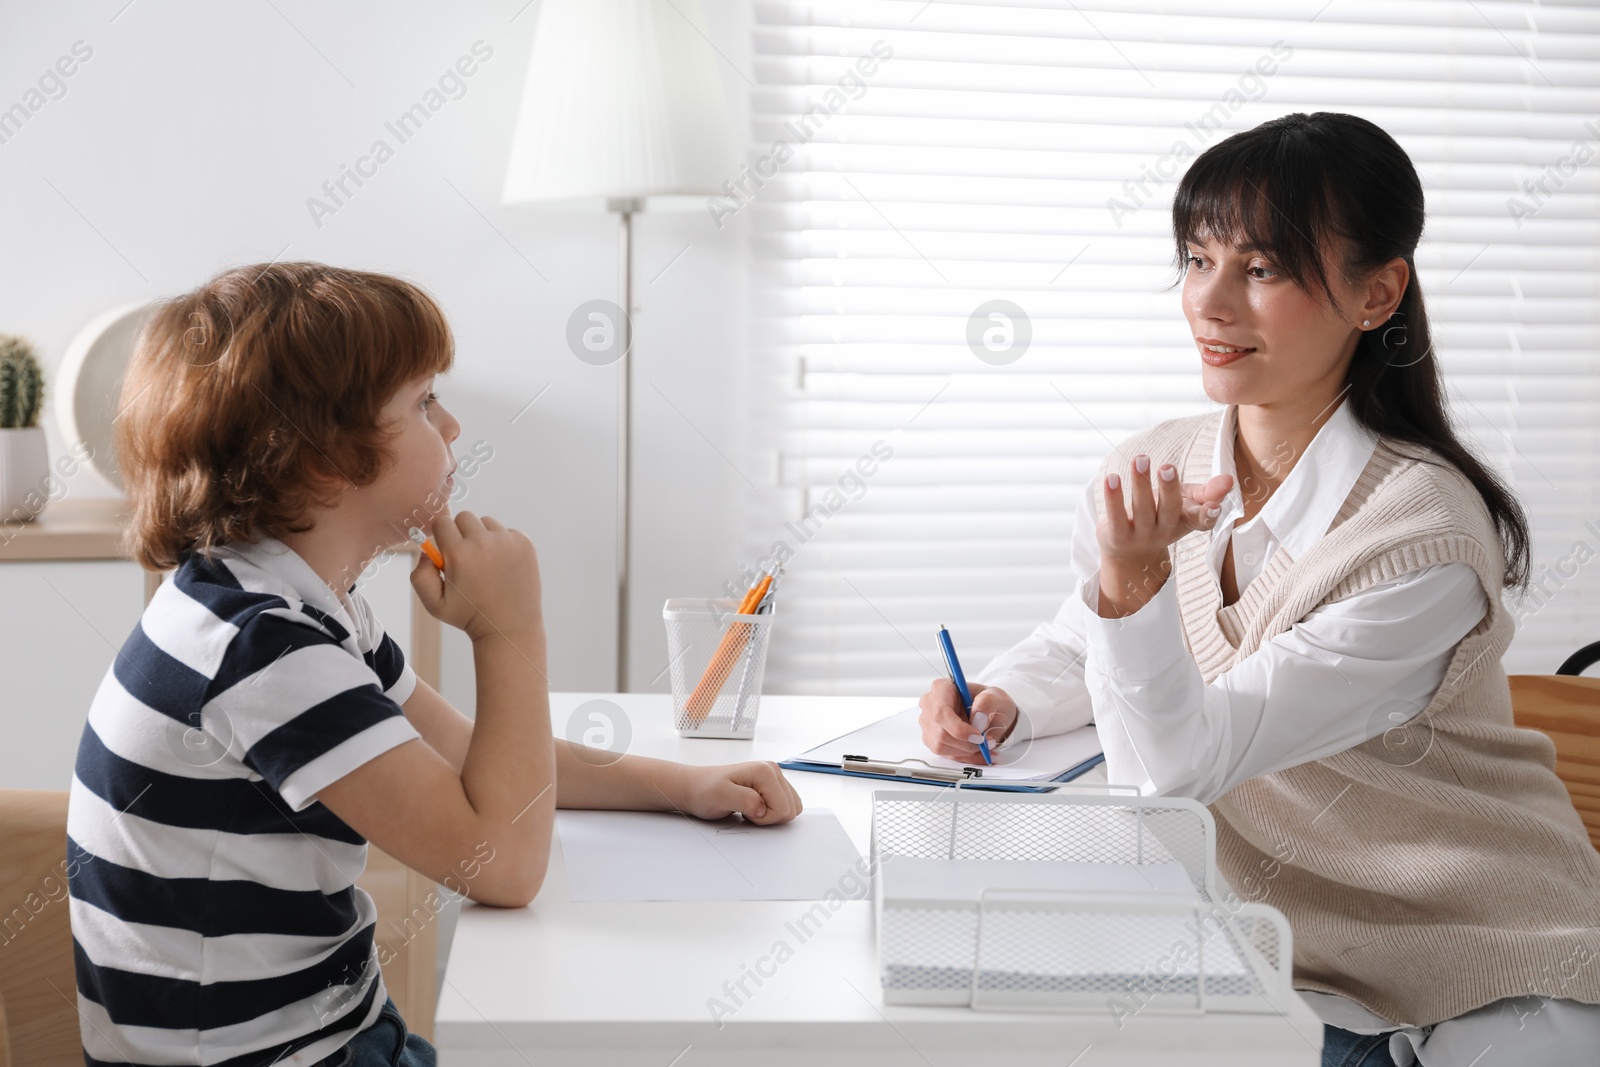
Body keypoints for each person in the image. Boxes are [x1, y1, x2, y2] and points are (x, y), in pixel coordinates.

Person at [917, 112, 1600, 1067]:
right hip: (1275, 954)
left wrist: (1133, 580)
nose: (1211, 301)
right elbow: (1085, 643)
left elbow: (1173, 771)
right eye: (1197, 259)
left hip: (1483, 956)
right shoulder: (1158, 463)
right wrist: (1004, 696)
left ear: (1377, 292)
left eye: (1263, 269)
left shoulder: (1419, 539)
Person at [66, 263, 803, 1067]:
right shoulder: (260, 651)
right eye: (423, 402)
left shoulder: (298, 604)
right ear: (323, 459)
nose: (451, 427)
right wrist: (509, 630)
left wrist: (680, 785)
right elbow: (504, 862)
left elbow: (471, 756)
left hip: (337, 1034)